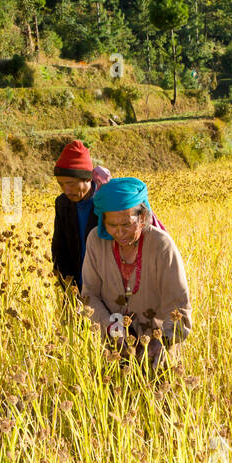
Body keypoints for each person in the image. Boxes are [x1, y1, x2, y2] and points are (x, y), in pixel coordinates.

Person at [80, 177, 192, 371]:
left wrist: (162, 341)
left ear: (142, 217)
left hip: (159, 349)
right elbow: (90, 294)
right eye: (112, 226)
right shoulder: (96, 242)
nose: (120, 232)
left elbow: (178, 304)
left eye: (126, 224)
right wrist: (113, 328)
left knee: (158, 396)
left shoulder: (161, 245)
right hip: (114, 346)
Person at [51, 140, 162, 288]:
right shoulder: (62, 204)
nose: (67, 190)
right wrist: (67, 285)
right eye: (61, 184)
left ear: (88, 178)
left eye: (71, 184)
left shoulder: (106, 203)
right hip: (76, 284)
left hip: (108, 285)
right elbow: (59, 248)